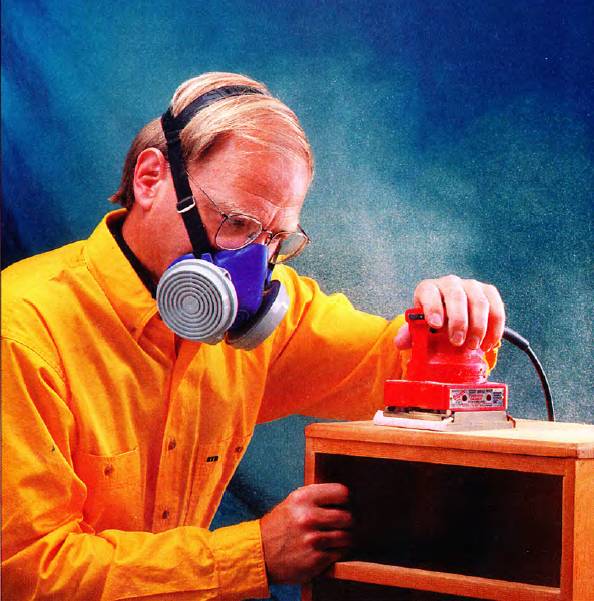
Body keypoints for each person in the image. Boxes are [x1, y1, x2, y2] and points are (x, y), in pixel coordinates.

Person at [2, 72, 505, 600]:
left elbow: (396, 371)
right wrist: (256, 554)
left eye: (274, 239)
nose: (253, 266)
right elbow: (27, 573)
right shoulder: (22, 332)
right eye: (237, 223)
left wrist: (449, 327)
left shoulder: (267, 321)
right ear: (151, 179)